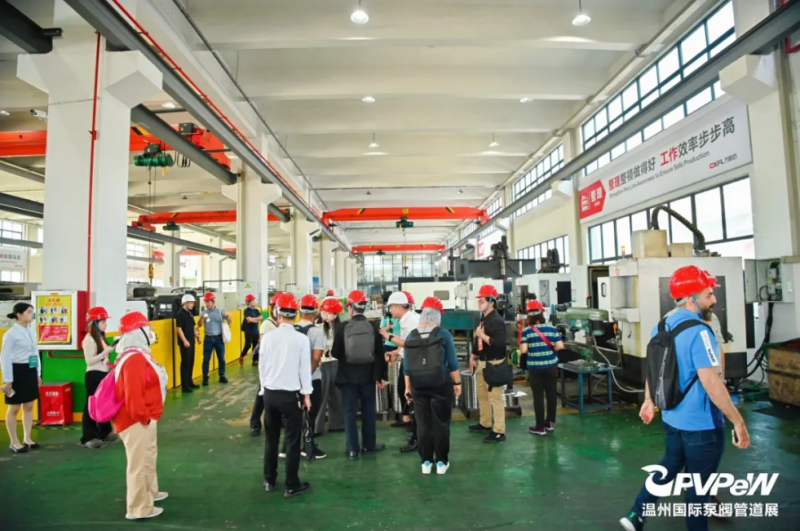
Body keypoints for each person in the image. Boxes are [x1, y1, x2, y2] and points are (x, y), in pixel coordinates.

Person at [619, 266, 751, 531]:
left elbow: (654, 369)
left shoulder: (663, 325)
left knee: (669, 465)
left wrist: (649, 400)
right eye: (708, 295)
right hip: (701, 424)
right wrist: (738, 422)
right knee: (699, 490)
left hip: (672, 418)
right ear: (691, 298)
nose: (714, 300)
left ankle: (637, 514)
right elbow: (711, 382)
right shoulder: (700, 332)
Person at [112, 312, 168, 520]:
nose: (151, 332)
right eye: (147, 328)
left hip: (145, 417)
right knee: (139, 463)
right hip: (136, 420)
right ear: (138, 332)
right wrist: (144, 418)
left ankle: (151, 492)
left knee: (148, 456)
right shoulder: (134, 359)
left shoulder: (138, 354)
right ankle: (139, 508)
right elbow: (133, 395)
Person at [259, 293, 312, 498]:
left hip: (270, 394)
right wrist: (307, 394)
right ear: (296, 314)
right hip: (290, 397)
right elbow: (304, 370)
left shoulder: (268, 337)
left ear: (277, 313)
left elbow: (262, 366)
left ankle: (269, 480)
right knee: (292, 441)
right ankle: (291, 484)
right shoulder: (301, 339)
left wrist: (263, 390)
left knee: (271, 440)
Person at [403, 297, 461, 475]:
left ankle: (426, 462)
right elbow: (452, 362)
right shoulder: (443, 334)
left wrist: (407, 388)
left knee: (423, 424)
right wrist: (457, 383)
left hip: (418, 386)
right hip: (440, 385)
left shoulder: (411, 335)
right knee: (441, 424)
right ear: (438, 315)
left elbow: (407, 367)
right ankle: (442, 463)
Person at [332, 290, 387, 460]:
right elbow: (379, 354)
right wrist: (380, 377)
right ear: (364, 308)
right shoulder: (374, 326)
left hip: (347, 377)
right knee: (369, 411)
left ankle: (352, 449)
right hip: (368, 377)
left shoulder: (342, 327)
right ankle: (369, 445)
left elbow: (335, 352)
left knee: (349, 412)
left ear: (350, 308)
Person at [280, 294, 326, 459]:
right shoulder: (316, 332)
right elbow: (316, 358)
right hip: (311, 380)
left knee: (293, 416)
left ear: (300, 311)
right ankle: (308, 447)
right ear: (315, 312)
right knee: (310, 415)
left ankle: (286, 448)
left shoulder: (291, 329)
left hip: (291, 381)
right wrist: (304, 379)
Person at [379, 291, 420, 453]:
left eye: (391, 307)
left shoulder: (411, 320)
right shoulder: (405, 319)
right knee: (404, 391)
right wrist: (396, 352)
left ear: (398, 306)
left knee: (410, 395)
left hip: (414, 363)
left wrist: (388, 336)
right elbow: (406, 343)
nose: (390, 310)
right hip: (408, 360)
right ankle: (410, 425)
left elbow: (410, 343)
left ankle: (417, 435)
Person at [469, 285, 508, 443]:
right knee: (482, 395)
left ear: (492, 302)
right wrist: (473, 356)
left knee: (495, 398)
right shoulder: (484, 319)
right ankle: (485, 423)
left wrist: (482, 335)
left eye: (482, 301)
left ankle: (499, 431)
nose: (479, 304)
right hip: (482, 362)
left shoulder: (497, 320)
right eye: (479, 301)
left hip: (493, 363)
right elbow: (477, 340)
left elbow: (499, 343)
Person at [1, 302, 41, 454]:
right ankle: (14, 441)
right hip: (16, 371)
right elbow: (4, 358)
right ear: (19, 314)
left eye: (32, 312)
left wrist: (38, 374)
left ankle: (27, 438)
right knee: (14, 407)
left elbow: (35, 353)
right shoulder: (10, 334)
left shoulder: (31, 331)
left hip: (30, 370)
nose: (32, 314)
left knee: (29, 405)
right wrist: (8, 380)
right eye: (29, 312)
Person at [520, 300, 564, 436]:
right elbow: (560, 346)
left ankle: (540, 427)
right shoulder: (551, 328)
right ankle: (549, 423)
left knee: (538, 396)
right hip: (551, 366)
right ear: (542, 314)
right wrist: (550, 350)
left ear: (529, 315)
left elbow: (523, 350)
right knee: (551, 395)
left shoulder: (527, 331)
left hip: (535, 368)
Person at [81, 307, 118, 448]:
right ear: (94, 323)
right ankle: (88, 436)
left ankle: (104, 431)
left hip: (103, 374)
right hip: (93, 375)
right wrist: (107, 351)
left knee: (103, 404)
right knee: (90, 406)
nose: (105, 324)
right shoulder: (89, 339)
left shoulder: (101, 338)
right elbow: (89, 361)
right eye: (102, 322)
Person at [251, 293, 281, 436]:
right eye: (276, 307)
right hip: (269, 366)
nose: (278, 310)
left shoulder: (284, 324)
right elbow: (263, 346)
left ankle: (279, 420)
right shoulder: (267, 324)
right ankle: (255, 423)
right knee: (262, 395)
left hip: (281, 365)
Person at [315, 297, 345, 435]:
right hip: (322, 364)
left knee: (337, 396)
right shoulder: (317, 327)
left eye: (329, 313)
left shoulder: (341, 327)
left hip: (337, 363)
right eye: (324, 313)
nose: (326, 316)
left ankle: (337, 424)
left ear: (336, 314)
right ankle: (316, 427)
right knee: (321, 396)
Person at [198, 292, 232, 385]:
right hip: (208, 339)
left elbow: (230, 321)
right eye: (206, 302)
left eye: (208, 302)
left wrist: (226, 315)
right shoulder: (204, 313)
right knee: (206, 359)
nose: (207, 304)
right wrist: (201, 319)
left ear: (213, 302)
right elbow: (199, 325)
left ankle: (222, 376)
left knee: (221, 358)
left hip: (219, 339)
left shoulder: (220, 311)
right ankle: (205, 378)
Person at [175, 294, 200, 394]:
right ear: (185, 303)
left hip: (191, 341)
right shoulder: (180, 314)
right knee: (185, 363)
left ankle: (190, 382)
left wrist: (197, 337)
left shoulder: (189, 313)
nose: (192, 305)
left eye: (193, 303)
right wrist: (184, 341)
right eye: (191, 303)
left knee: (191, 362)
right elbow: (179, 329)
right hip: (185, 343)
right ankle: (185, 386)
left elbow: (193, 327)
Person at [240, 294, 262, 366]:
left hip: (255, 331)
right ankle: (242, 355)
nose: (255, 302)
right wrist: (256, 319)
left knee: (256, 346)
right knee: (248, 345)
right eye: (253, 300)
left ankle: (255, 360)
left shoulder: (256, 310)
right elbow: (249, 320)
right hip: (248, 332)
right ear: (249, 302)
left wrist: (253, 319)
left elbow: (260, 317)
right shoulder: (246, 311)